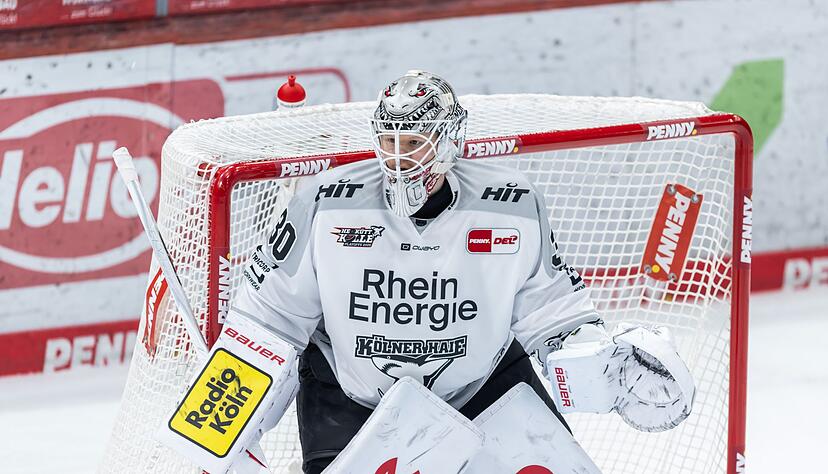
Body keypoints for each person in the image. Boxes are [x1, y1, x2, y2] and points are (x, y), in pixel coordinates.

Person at [176, 70, 695, 473]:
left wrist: (605, 367)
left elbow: (554, 314)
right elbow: (268, 321)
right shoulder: (326, 203)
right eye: (389, 143)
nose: (399, 160)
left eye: (414, 144)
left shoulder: (510, 206)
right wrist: (222, 427)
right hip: (350, 398)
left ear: (448, 141)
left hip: (484, 387)